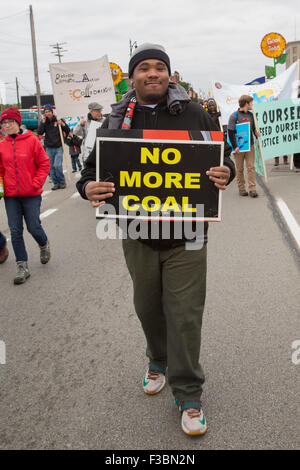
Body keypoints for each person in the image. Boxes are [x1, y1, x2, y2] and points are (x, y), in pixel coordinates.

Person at [77, 43, 235, 436]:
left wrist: (226, 172)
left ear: (170, 75)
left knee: (184, 315)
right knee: (148, 308)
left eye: (160, 68)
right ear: (131, 78)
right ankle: (157, 358)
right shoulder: (115, 120)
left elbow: (224, 155)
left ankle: (189, 393)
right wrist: (87, 189)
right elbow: (89, 172)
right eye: (144, 68)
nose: (153, 74)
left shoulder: (195, 112)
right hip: (138, 234)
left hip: (189, 235)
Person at [0, 107, 51, 284]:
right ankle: (22, 266)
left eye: (10, 122)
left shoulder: (32, 141)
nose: (7, 125)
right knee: (15, 230)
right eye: (4, 123)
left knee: (33, 226)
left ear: (18, 123)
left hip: (31, 194)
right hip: (11, 196)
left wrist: (36, 183)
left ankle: (43, 244)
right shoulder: (2, 145)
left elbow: (44, 163)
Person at [227, 94, 260, 197]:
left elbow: (253, 128)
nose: (252, 104)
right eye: (251, 103)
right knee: (239, 169)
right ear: (246, 103)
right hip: (239, 148)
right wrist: (235, 146)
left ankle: (252, 189)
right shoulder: (234, 116)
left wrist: (256, 132)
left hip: (250, 146)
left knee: (251, 167)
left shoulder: (251, 115)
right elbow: (230, 132)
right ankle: (241, 188)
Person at [37, 104, 69, 190]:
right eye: (46, 112)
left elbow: (67, 130)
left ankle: (62, 181)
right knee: (50, 167)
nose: (47, 113)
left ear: (52, 112)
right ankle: (56, 183)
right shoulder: (44, 122)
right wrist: (42, 123)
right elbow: (39, 132)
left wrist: (62, 124)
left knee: (57, 165)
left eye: (49, 112)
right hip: (49, 148)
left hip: (58, 146)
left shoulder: (58, 119)